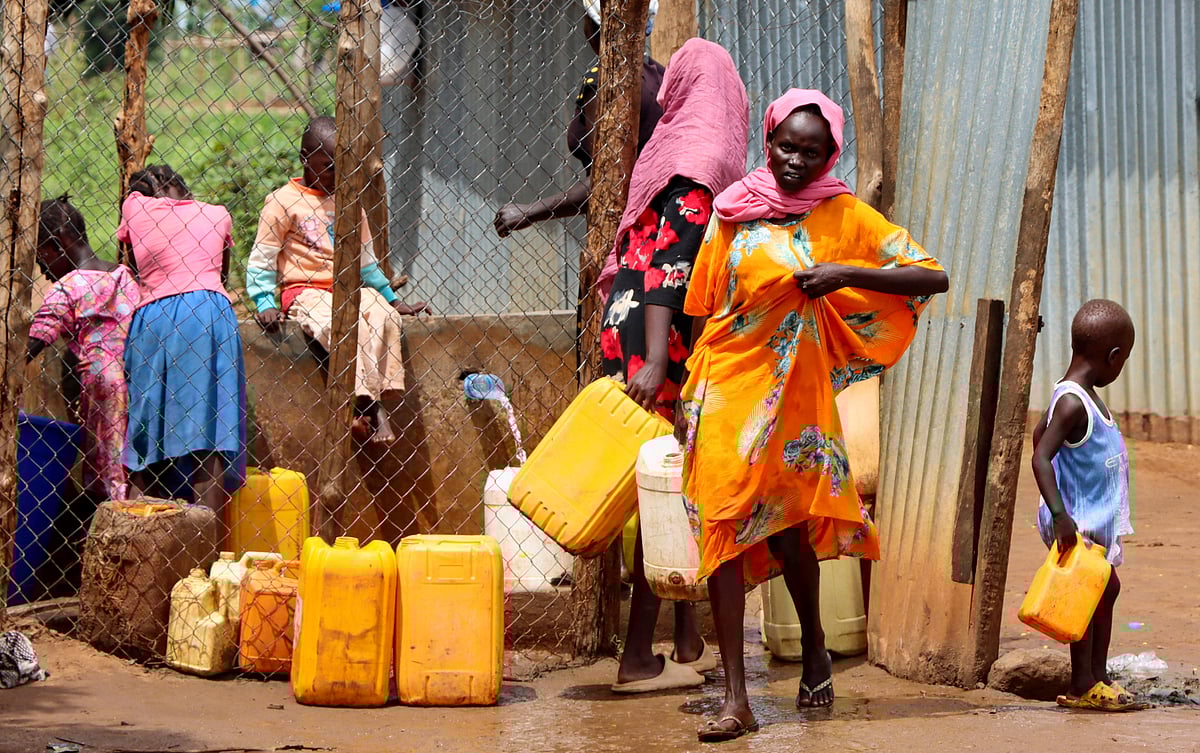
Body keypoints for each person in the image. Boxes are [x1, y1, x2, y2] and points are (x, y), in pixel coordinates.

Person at [680, 89, 948, 742]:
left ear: (831, 153)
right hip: (725, 390)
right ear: (766, 139)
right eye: (783, 145)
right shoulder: (732, 211)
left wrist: (845, 272)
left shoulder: (843, 214)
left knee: (789, 534)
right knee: (722, 528)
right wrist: (687, 398)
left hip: (796, 400)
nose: (794, 160)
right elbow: (702, 303)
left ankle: (817, 644)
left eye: (811, 150)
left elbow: (930, 275)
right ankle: (736, 697)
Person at [602, 38, 749, 694]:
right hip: (658, 343)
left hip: (627, 325)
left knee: (672, 485)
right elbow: (672, 272)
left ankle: (686, 637)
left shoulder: (668, 148)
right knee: (670, 491)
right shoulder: (703, 160)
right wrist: (662, 361)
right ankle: (638, 653)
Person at [247, 116, 429, 443]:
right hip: (305, 290)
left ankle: (371, 398)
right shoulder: (282, 202)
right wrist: (264, 301)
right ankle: (369, 406)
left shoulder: (348, 201)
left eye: (343, 167)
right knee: (336, 325)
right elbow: (263, 257)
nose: (336, 176)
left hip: (348, 288)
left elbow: (367, 261)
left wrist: (392, 299)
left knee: (384, 317)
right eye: (328, 166)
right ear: (305, 158)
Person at [118, 164, 246, 534]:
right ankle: (204, 562)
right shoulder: (217, 214)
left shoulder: (135, 207)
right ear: (185, 191)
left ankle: (146, 547)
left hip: (157, 319)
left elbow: (131, 263)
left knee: (147, 435)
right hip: (211, 316)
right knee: (210, 436)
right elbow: (220, 275)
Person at [1032, 299, 1140, 712]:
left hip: (1088, 515)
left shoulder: (1078, 395)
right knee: (1087, 594)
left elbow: (1037, 438)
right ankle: (1082, 683)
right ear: (1113, 357)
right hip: (1077, 520)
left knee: (1104, 589)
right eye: (1124, 359)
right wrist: (1060, 515)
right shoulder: (1074, 402)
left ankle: (1098, 676)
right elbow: (1042, 455)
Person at [493, 0, 663, 238]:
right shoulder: (660, 76)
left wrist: (529, 212)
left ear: (593, 26)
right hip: (661, 224)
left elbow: (608, 180)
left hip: (626, 233)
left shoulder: (604, 83)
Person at [28, 195, 140, 503]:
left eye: (42, 257)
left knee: (105, 461)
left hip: (101, 386)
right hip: (139, 377)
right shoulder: (124, 276)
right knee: (131, 461)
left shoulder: (67, 288)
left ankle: (109, 525)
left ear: (58, 244)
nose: (42, 269)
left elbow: (36, 340)